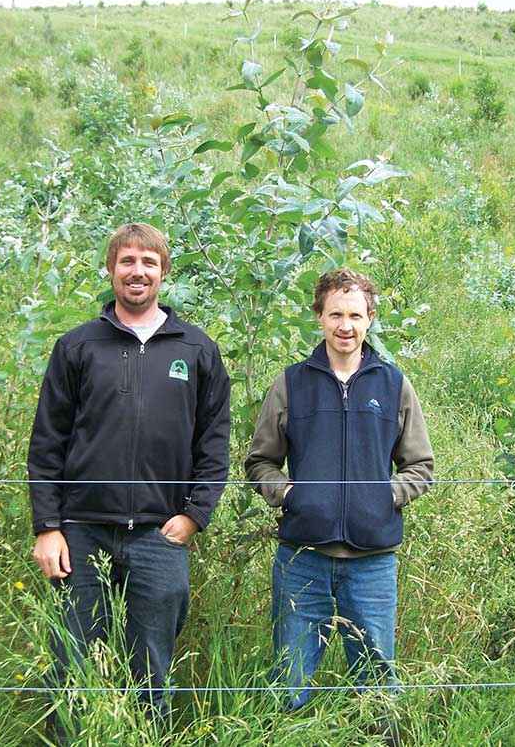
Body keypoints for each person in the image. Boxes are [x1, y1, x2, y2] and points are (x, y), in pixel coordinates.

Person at [27, 222, 230, 732]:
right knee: (72, 662)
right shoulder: (77, 348)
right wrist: (48, 527)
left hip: (160, 537)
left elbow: (214, 442)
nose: (137, 272)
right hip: (82, 533)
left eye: (148, 263)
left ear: (164, 272)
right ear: (111, 269)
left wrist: (194, 516)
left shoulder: (196, 350)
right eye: (127, 262)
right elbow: (47, 442)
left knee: (152, 671)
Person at [245, 268, 434, 716]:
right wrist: (289, 494)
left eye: (354, 314)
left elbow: (421, 466)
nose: (344, 325)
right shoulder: (291, 383)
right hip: (302, 558)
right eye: (335, 314)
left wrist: (382, 498)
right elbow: (259, 462)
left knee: (377, 685)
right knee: (289, 680)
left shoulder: (393, 385)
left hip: (372, 561)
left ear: (370, 318)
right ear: (320, 317)